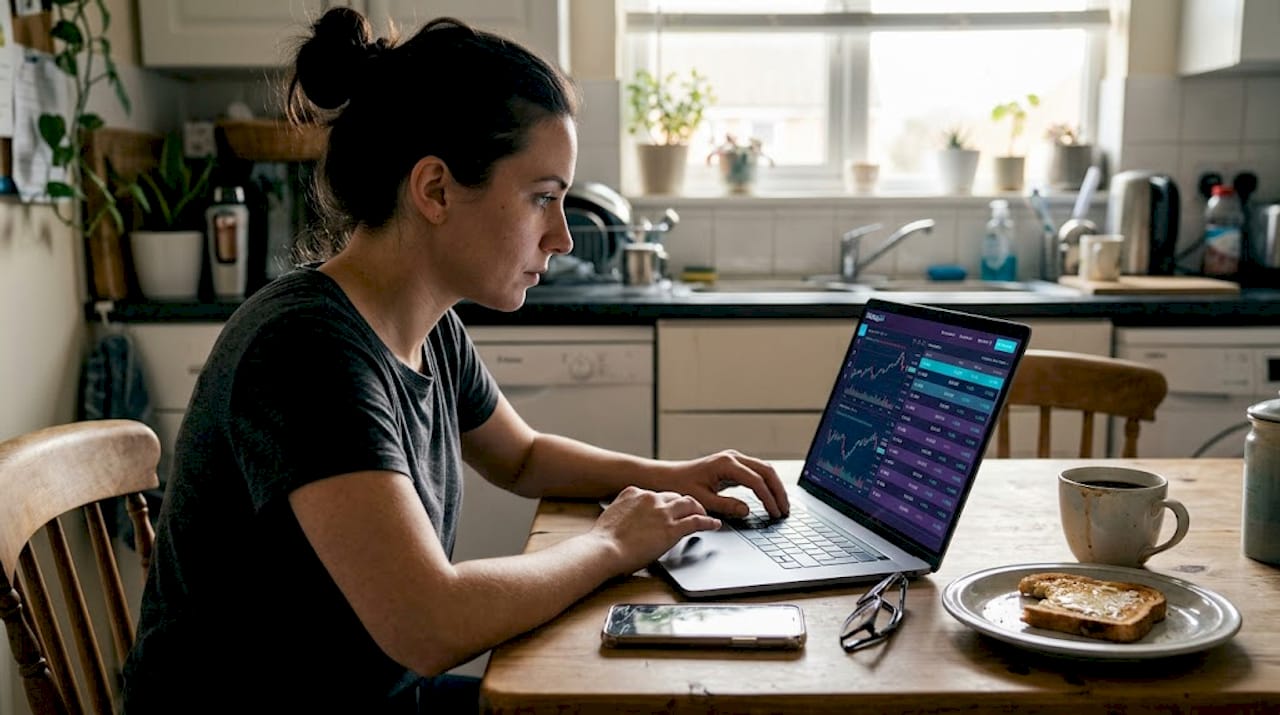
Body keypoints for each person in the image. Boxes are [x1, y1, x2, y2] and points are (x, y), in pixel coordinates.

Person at [121, 8, 788, 713]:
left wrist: (670, 475)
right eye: (541, 199)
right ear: (435, 189)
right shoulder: (305, 349)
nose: (561, 237)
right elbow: (429, 622)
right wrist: (612, 543)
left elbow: (522, 456)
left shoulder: (425, 324)